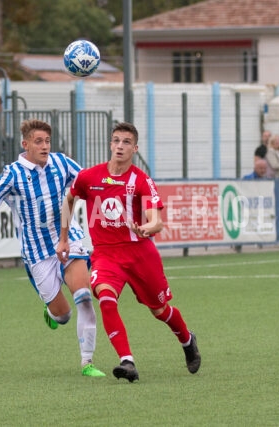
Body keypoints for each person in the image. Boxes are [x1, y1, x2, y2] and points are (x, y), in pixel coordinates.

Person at [0, 119, 106, 378]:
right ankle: (51, 309)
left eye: (47, 141)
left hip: (68, 239)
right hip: (36, 253)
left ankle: (87, 362)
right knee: (63, 316)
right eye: (39, 142)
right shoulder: (12, 173)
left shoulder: (61, 162)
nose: (45, 146)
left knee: (84, 296)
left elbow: (89, 181)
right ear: (25, 144)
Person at [56, 122, 201, 382]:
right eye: (116, 141)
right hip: (105, 254)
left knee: (159, 310)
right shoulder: (89, 177)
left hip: (140, 254)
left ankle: (187, 339)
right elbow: (68, 201)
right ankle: (127, 361)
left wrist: (147, 227)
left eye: (125, 142)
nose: (119, 146)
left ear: (134, 148)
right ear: (110, 144)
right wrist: (63, 239)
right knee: (106, 299)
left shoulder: (141, 180)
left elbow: (157, 220)